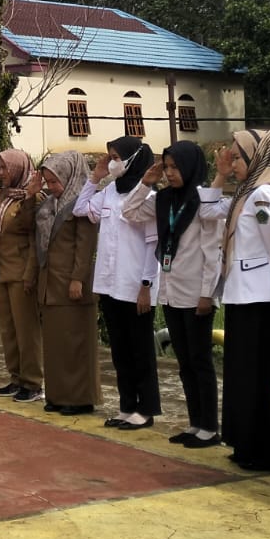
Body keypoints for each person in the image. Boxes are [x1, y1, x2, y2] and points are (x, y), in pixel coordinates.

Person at [213, 128, 270, 471]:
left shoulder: (263, 195)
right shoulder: (246, 193)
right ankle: (246, 443)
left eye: (236, 157)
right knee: (242, 374)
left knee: (260, 376)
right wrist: (220, 173)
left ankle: (267, 451)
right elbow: (206, 210)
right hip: (242, 294)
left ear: (256, 156)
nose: (231, 163)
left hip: (260, 298)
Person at [131, 142, 223, 448]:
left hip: (197, 293)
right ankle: (195, 423)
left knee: (200, 361)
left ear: (190, 166)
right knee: (184, 362)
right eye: (166, 167)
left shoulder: (204, 201)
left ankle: (210, 426)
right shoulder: (163, 199)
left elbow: (212, 253)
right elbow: (128, 210)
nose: (170, 173)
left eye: (174, 167)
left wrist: (207, 294)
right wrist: (147, 182)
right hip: (171, 292)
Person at [79, 136, 160, 429]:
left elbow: (153, 245)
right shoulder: (111, 190)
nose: (111, 161)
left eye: (115, 156)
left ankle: (146, 408)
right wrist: (95, 178)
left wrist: (147, 285)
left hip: (135, 284)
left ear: (133, 158)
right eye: (109, 156)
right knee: (120, 350)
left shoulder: (148, 196)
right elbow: (81, 209)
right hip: (109, 283)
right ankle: (128, 407)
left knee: (140, 350)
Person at [36, 150, 101, 416]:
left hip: (72, 285)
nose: (52, 188)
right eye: (48, 182)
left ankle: (79, 398)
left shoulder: (83, 205)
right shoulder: (48, 205)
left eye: (55, 181)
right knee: (56, 345)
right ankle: (58, 394)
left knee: (75, 344)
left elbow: (84, 246)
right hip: (51, 285)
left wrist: (77, 279)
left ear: (70, 176)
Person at [0, 148, 43, 403]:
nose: (1, 172)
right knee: (8, 330)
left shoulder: (32, 198)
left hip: (21, 272)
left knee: (26, 331)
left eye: (4, 168)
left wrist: (30, 273)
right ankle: (16, 377)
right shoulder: (0, 197)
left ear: (19, 168)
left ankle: (32, 382)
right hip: (0, 270)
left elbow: (31, 232)